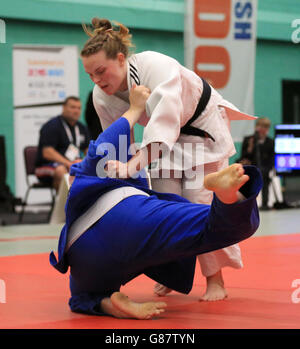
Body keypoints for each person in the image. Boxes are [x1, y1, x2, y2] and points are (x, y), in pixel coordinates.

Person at [80, 18, 257, 301]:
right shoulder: (101, 95)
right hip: (165, 142)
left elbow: (164, 127)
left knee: (199, 200)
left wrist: (131, 165)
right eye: (90, 75)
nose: (98, 80)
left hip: (201, 128)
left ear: (122, 59)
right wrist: (116, 173)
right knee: (164, 206)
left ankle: (216, 280)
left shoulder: (155, 66)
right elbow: (117, 138)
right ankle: (173, 275)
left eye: (101, 71)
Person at [50, 85, 262, 319]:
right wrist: (134, 109)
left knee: (81, 298)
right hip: (125, 217)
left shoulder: (83, 185)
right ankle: (228, 197)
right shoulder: (110, 162)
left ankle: (108, 302)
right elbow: (103, 146)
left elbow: (103, 147)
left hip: (83, 256)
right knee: (215, 227)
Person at [35, 96, 90, 191]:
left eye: (79, 108)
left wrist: (89, 163)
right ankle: (63, 204)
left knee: (91, 170)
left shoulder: (82, 128)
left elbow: (88, 150)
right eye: (72, 107)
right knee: (61, 170)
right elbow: (47, 152)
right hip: (47, 166)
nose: (76, 111)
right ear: (64, 108)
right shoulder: (52, 126)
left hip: (71, 164)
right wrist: (68, 163)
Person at [238, 117, 274, 210]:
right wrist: (250, 147)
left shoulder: (270, 142)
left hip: (264, 168)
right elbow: (243, 156)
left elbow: (271, 158)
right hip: (251, 166)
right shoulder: (249, 139)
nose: (262, 130)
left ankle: (265, 203)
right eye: (260, 127)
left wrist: (268, 168)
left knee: (265, 177)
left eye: (265, 127)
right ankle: (245, 202)